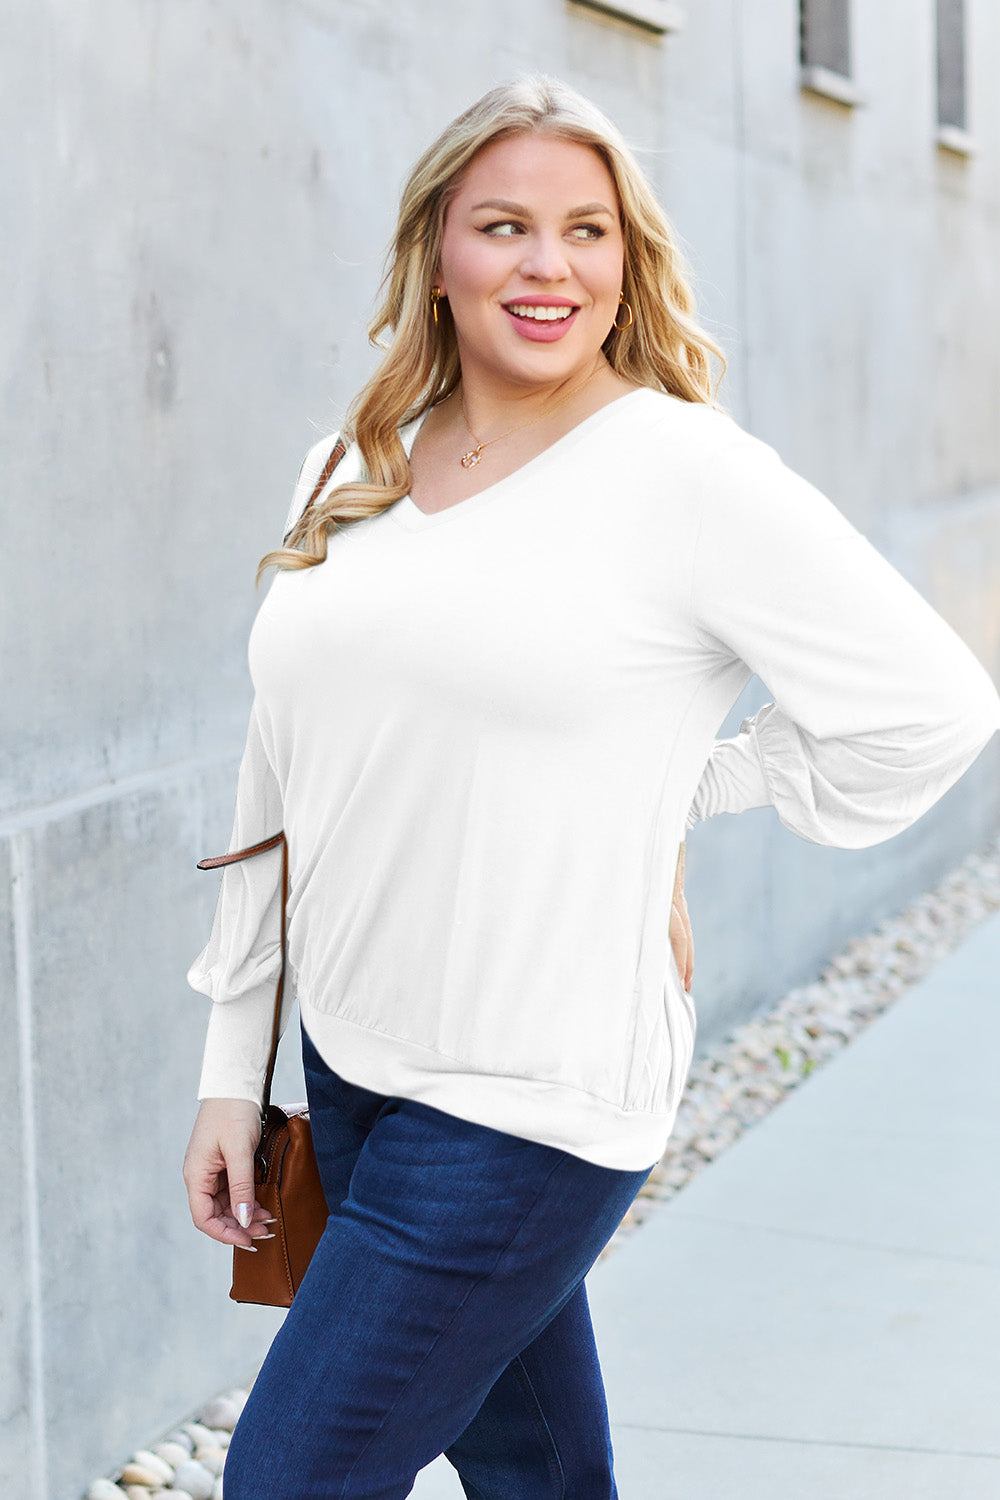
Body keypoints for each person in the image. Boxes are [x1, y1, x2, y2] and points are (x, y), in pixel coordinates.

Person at [182, 74, 1000, 1500]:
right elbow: (279, 770)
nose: (548, 266)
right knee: (542, 1476)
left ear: (631, 259)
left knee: (287, 1480)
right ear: (436, 253)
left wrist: (686, 787)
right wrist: (226, 1073)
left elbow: (930, 711)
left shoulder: (680, 476)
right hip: (358, 1067)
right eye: (504, 225)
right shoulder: (349, 467)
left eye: (588, 230)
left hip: (535, 1100)